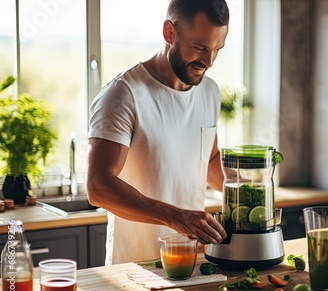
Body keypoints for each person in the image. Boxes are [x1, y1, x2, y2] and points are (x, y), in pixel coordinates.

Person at [86, 0, 229, 265]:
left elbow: (207, 161)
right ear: (169, 33)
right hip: (134, 271)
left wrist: (250, 192)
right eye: (199, 48)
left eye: (217, 49)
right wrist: (176, 217)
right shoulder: (124, 94)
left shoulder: (209, 92)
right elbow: (98, 186)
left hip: (191, 266)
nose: (208, 61)